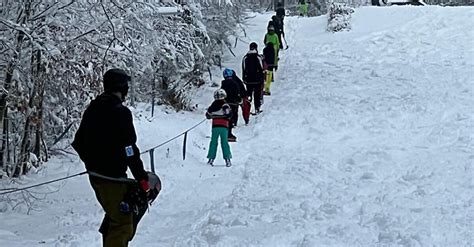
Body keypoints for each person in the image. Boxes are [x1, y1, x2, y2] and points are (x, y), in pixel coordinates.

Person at [72, 68, 151, 247]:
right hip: (112, 178)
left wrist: (92, 163)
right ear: (122, 88)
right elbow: (129, 149)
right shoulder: (121, 112)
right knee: (123, 224)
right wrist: (142, 178)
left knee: (115, 215)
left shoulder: (93, 108)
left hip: (96, 176)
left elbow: (78, 142)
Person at [206, 89, 233, 167]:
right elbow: (229, 115)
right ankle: (227, 159)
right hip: (224, 126)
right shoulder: (225, 105)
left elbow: (208, 115)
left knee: (213, 142)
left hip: (215, 126)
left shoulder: (212, 105)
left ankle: (211, 159)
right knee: (224, 142)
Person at [242, 42, 264, 114]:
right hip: (257, 80)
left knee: (249, 94)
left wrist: (244, 79)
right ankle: (257, 109)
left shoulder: (245, 57)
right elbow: (261, 68)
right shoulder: (258, 57)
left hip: (248, 80)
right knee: (257, 95)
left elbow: (244, 68)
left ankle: (248, 110)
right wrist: (262, 78)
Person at [220, 68, 242, 142]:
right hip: (233, 104)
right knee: (231, 118)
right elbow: (237, 93)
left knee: (226, 118)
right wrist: (239, 100)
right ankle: (229, 134)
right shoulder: (235, 83)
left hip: (225, 103)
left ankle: (226, 133)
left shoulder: (223, 84)